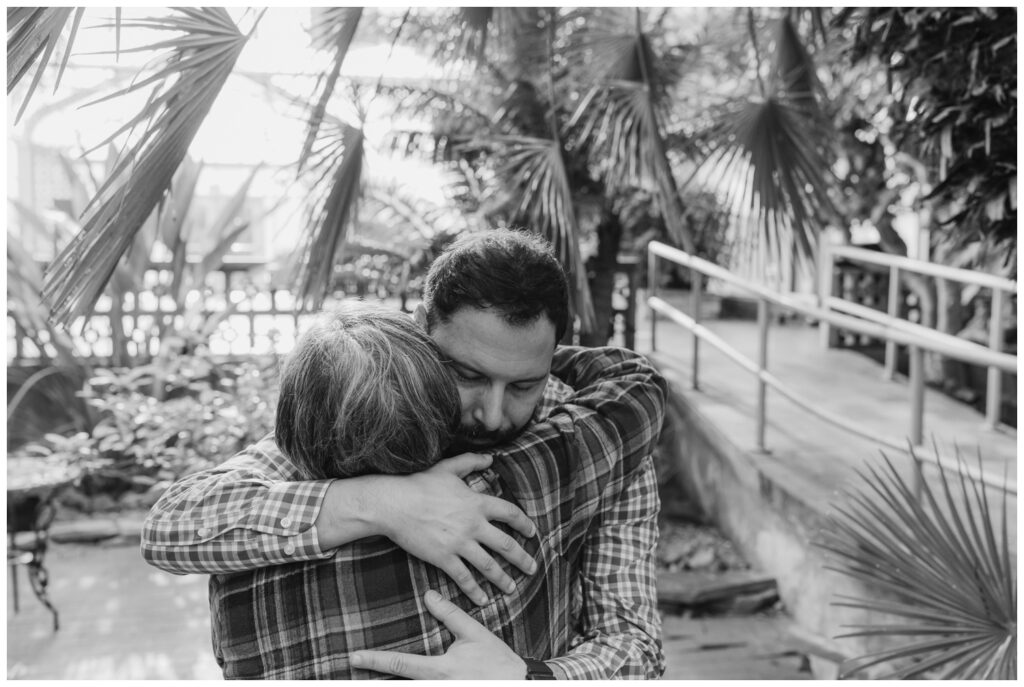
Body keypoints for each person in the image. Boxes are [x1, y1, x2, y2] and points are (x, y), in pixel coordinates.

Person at [142, 229, 666, 679]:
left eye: (525, 383)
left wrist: (531, 677)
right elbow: (172, 526)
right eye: (468, 375)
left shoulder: (600, 441)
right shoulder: (377, 405)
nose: (493, 413)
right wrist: (385, 502)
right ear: (420, 329)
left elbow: (636, 644)